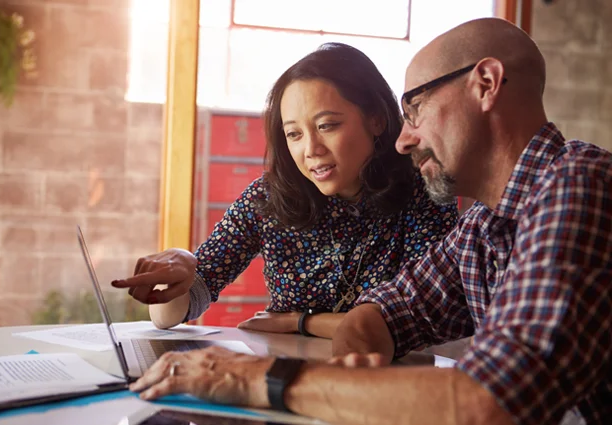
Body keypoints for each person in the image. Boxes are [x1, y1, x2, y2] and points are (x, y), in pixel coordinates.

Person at [126, 18, 612, 425]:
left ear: (485, 84)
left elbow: (489, 401)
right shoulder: (484, 224)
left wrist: (256, 376)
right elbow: (390, 310)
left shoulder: (578, 184)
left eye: (416, 109)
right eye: (294, 133)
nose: (405, 139)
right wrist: (358, 347)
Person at [112, 42, 458, 339]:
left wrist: (301, 322)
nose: (311, 149)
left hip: (387, 386)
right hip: (287, 380)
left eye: (327, 126)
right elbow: (170, 316)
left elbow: (422, 318)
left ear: (376, 120)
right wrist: (183, 267)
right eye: (294, 134)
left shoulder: (422, 191)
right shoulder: (268, 197)